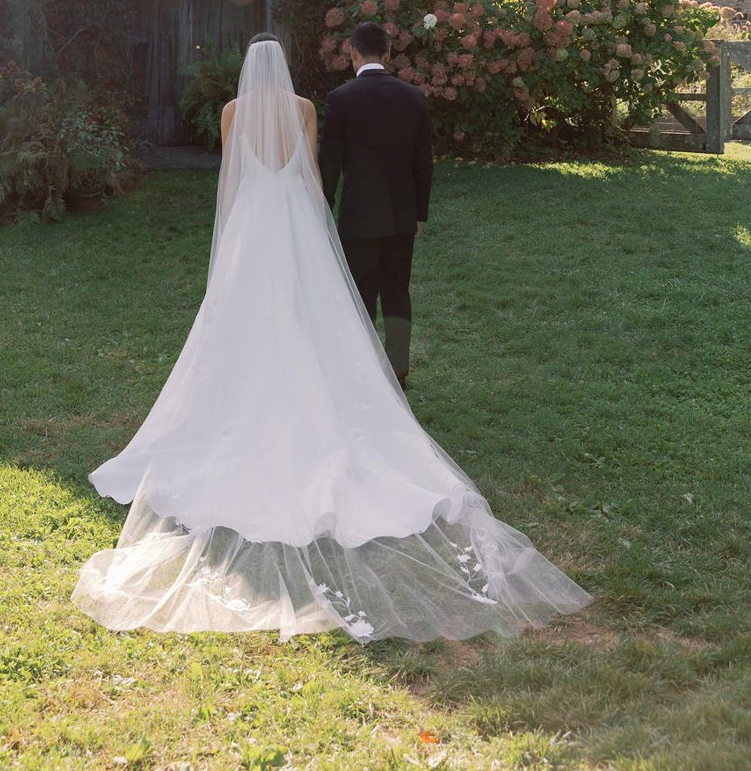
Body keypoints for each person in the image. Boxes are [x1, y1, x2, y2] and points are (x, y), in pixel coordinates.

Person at [72, 34, 591, 642]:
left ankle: (259, 383)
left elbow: (231, 177)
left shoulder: (232, 113)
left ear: (247, 69)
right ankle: (381, 371)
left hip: (253, 219)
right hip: (295, 214)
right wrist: (316, 226)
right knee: (324, 307)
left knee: (242, 311)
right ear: (286, 67)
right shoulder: (307, 108)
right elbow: (315, 174)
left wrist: (233, 233)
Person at [319, 21, 432, 389]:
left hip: (358, 215)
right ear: (388, 54)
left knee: (361, 293)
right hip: (401, 214)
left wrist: (323, 205)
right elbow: (423, 162)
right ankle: (399, 368)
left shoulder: (340, 98)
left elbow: (330, 162)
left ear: (352, 53)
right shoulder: (413, 96)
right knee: (397, 290)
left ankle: (364, 367)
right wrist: (419, 213)